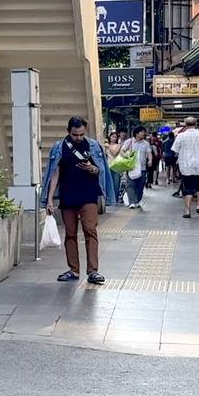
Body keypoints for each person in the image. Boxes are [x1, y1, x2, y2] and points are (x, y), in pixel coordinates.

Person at [42, 117, 113, 285]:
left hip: (89, 194)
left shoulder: (94, 146)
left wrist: (92, 169)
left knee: (90, 230)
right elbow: (55, 173)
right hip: (68, 195)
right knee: (70, 233)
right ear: (68, 132)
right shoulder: (59, 147)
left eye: (81, 134)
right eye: (75, 135)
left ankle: (93, 271)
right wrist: (49, 199)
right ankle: (73, 270)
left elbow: (100, 169)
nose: (79, 138)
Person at [172, 117, 199, 218]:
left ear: (185, 124)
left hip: (186, 166)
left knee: (188, 188)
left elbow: (175, 150)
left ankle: (187, 211)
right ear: (196, 124)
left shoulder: (181, 136)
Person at [121, 126, 153, 209]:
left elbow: (149, 153)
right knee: (131, 185)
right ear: (136, 133)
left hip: (142, 168)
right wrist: (126, 157)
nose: (144, 133)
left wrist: (150, 160)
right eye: (142, 132)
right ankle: (132, 202)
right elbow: (122, 151)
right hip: (131, 167)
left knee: (140, 185)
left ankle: (137, 201)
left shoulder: (146, 143)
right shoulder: (130, 141)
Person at [105, 131, 123, 204]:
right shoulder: (106, 145)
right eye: (112, 137)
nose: (114, 138)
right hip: (108, 165)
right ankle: (109, 199)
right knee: (109, 183)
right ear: (110, 137)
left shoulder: (118, 145)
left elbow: (114, 153)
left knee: (116, 183)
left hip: (115, 166)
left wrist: (108, 146)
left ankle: (115, 199)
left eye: (115, 137)